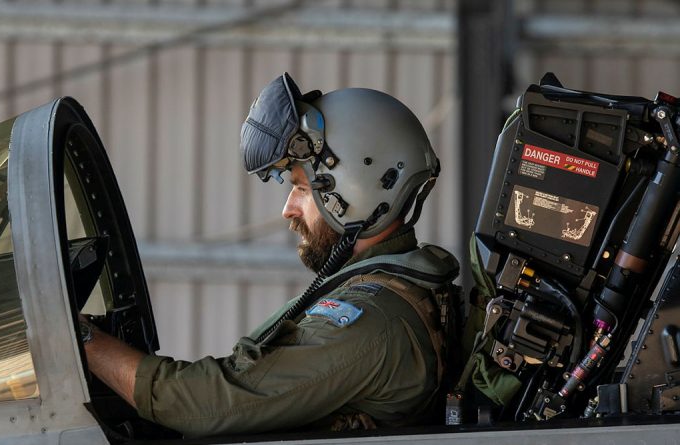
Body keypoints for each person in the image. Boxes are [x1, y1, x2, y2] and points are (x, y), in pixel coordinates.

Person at [79, 73, 459, 438]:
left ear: (358, 190)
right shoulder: (385, 293)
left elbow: (202, 404)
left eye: (302, 189)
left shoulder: (372, 322)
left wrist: (82, 339)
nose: (288, 210)